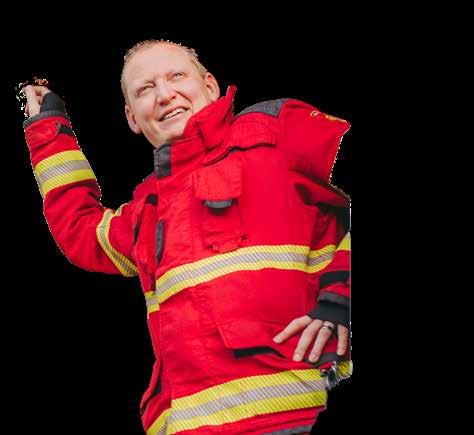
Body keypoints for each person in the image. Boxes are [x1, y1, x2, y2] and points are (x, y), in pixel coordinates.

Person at [20, 39, 352, 435]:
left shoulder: (277, 133)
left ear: (209, 86)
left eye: (176, 76)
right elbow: (81, 231)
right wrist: (48, 127)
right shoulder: (147, 208)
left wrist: (343, 298)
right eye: (145, 89)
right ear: (132, 117)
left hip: (296, 417)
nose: (164, 95)